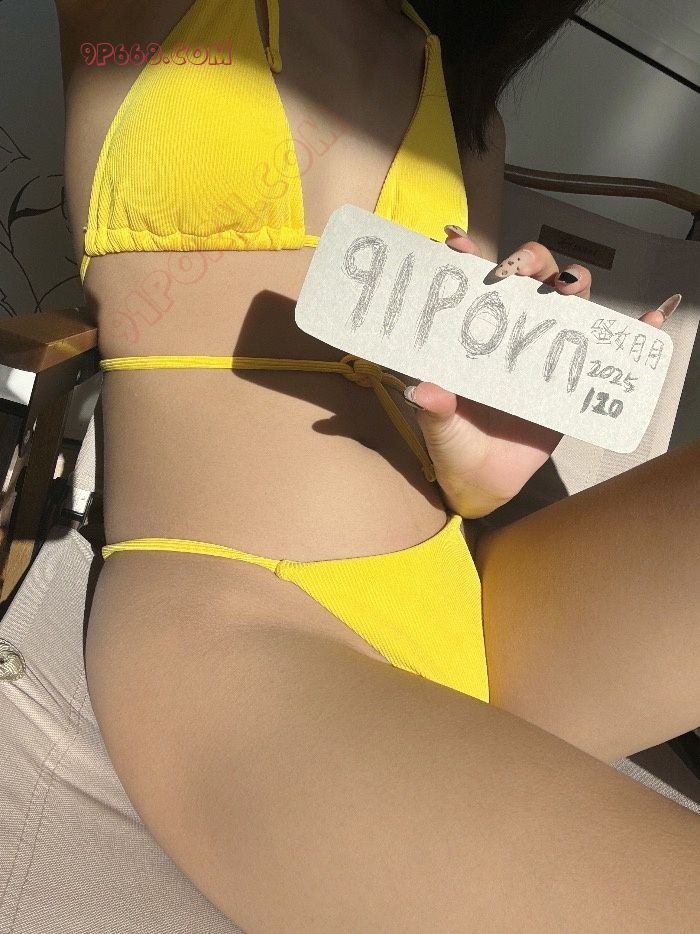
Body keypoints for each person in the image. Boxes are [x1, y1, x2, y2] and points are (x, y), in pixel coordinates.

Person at [56, 0, 699, 929]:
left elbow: (454, 455)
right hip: (237, 633)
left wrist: (479, 460)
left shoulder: (467, 115)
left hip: (468, 599)